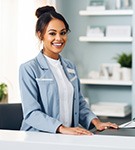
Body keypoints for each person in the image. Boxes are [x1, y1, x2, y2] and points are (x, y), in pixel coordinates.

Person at [19, 5, 118, 135]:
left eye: (63, 32)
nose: (59, 38)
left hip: (67, 137)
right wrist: (61, 128)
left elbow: (79, 103)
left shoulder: (70, 67)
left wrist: (96, 122)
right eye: (52, 33)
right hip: (38, 137)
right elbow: (31, 113)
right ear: (40, 35)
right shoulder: (28, 69)